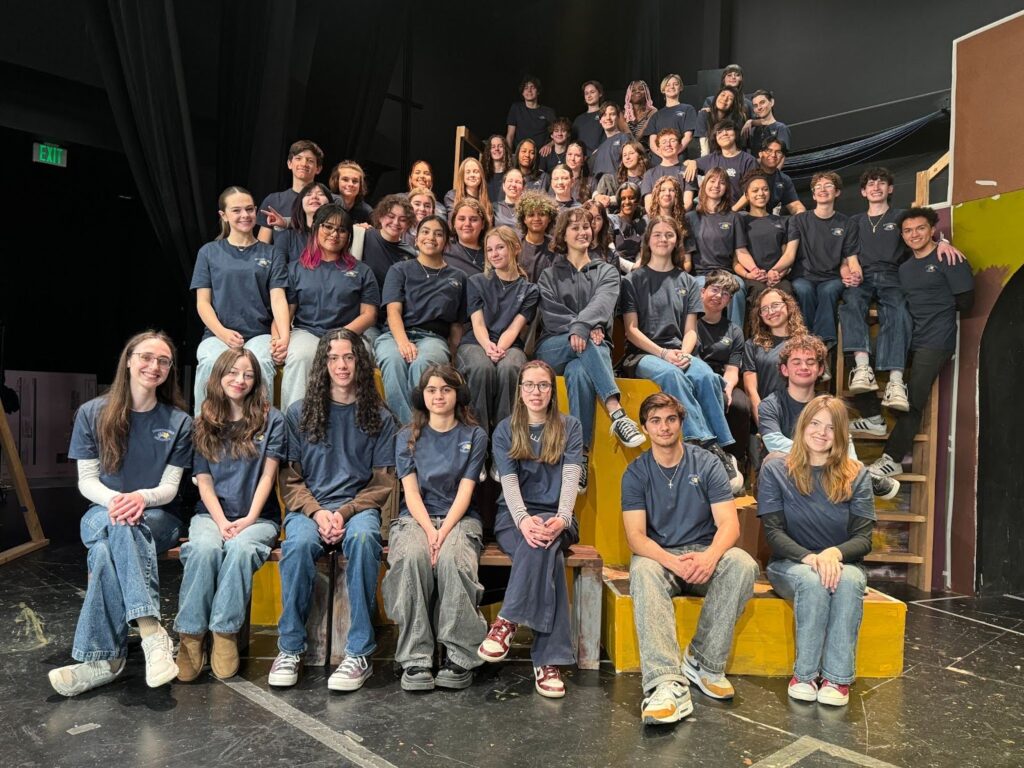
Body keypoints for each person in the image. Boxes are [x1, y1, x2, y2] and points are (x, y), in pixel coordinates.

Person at [52, 331, 191, 696]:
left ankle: (102, 660)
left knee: (104, 550)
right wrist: (118, 501)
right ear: (128, 360)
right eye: (146, 357)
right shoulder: (92, 413)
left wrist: (139, 499)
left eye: (163, 361)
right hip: (103, 510)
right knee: (118, 526)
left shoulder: (179, 421)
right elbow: (86, 480)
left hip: (159, 516)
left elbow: (171, 488)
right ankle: (151, 632)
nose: (154, 366)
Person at [269, 329, 397, 690]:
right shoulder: (298, 413)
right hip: (310, 511)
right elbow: (289, 480)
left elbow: (382, 483)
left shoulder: (379, 417)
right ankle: (290, 648)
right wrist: (317, 512)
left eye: (349, 357)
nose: (342, 365)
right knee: (294, 547)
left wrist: (343, 512)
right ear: (322, 364)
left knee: (363, 540)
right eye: (333, 358)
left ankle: (358, 652)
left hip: (357, 512)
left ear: (361, 361)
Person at [624, 393, 758, 724]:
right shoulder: (636, 473)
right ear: (645, 427)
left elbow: (729, 525)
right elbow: (636, 537)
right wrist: (672, 562)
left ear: (681, 423)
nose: (664, 427)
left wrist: (711, 556)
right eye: (655, 421)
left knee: (742, 563)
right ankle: (666, 681)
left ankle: (704, 662)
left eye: (671, 419)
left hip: (703, 553)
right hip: (663, 558)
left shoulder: (708, 463)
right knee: (641, 569)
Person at [757, 395, 875, 707]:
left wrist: (833, 554)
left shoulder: (857, 473)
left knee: (848, 581)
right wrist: (811, 558)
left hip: (842, 562)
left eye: (831, 427)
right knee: (812, 581)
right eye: (815, 423)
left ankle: (837, 679)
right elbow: (773, 533)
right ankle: (805, 675)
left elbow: (864, 540)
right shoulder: (775, 469)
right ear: (802, 426)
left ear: (841, 435)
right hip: (790, 562)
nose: (822, 432)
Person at [175, 348, 284, 681]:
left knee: (240, 550)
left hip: (258, 517)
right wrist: (222, 522)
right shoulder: (203, 422)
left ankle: (224, 634)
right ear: (219, 376)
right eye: (233, 373)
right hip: (211, 514)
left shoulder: (272, 418)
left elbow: (268, 475)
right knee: (204, 549)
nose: (240, 380)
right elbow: (204, 481)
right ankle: (191, 637)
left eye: (248, 374)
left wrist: (249, 519)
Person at [478, 361, 583, 698]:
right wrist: (524, 520)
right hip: (513, 516)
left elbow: (570, 480)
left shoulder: (571, 426)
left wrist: (563, 519)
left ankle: (506, 622)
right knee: (544, 552)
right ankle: (548, 662)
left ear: (552, 391)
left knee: (544, 544)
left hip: (558, 515)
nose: (536, 392)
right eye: (529, 385)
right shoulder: (506, 429)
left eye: (543, 385)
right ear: (519, 390)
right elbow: (508, 484)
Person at [383, 365, 488, 692]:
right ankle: (415, 658)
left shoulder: (474, 435)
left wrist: (443, 535)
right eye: (432, 390)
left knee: (453, 560)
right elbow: (411, 493)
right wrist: (430, 531)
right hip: (416, 518)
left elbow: (466, 491)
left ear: (458, 395)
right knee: (410, 558)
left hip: (460, 518)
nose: (439, 396)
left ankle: (460, 655)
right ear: (422, 395)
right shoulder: (406, 437)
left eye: (446, 389)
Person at [621, 216, 743, 492]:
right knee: (670, 374)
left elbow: (690, 331)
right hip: (645, 354)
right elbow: (631, 330)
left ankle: (724, 448)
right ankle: (705, 444)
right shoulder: (633, 280)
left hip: (679, 351)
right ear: (648, 240)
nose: (664, 239)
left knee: (708, 376)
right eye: (658, 234)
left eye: (670, 235)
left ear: (677, 241)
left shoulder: (687, 281)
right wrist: (665, 354)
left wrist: (684, 353)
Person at [536, 207, 645, 493]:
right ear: (563, 234)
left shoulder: (607, 271)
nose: (583, 231)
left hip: (590, 348)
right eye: (575, 227)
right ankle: (617, 412)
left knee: (580, 371)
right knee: (588, 343)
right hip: (555, 345)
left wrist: (585, 327)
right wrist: (582, 327)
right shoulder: (549, 275)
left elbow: (604, 303)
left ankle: (579, 457)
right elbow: (552, 314)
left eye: (586, 226)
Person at [842, 169, 961, 418]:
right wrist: (847, 270)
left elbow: (923, 237)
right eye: (870, 184)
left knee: (898, 309)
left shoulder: (900, 217)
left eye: (881, 183)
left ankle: (895, 382)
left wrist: (944, 244)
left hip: (893, 275)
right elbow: (848, 254)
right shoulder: (855, 221)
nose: (876, 187)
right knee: (850, 300)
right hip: (862, 275)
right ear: (863, 192)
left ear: (890, 189)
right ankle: (863, 367)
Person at [867, 207, 974, 480]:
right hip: (909, 337)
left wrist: (945, 247)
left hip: (936, 340)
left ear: (932, 230)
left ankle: (892, 459)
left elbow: (966, 302)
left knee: (913, 399)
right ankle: (872, 418)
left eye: (920, 228)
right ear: (902, 236)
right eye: (908, 230)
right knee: (874, 362)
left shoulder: (948, 259)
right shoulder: (904, 267)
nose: (914, 234)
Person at [757, 336, 899, 499]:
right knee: (774, 458)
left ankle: (860, 476)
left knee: (843, 465)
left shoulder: (831, 405)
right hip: (784, 476)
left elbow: (846, 442)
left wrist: (854, 468)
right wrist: (821, 455)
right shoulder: (770, 404)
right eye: (796, 362)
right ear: (784, 370)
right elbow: (774, 443)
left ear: (820, 369)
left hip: (826, 476)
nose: (804, 367)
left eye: (810, 362)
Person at [191, 186, 290, 414]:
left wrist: (283, 338)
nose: (244, 215)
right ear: (223, 215)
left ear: (256, 211)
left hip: (259, 334)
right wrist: (222, 333)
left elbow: (278, 299)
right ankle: (202, 430)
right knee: (208, 363)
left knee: (262, 364)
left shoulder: (271, 253)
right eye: (236, 210)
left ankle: (261, 432)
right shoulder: (209, 252)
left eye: (249, 209)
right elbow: (203, 303)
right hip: (218, 334)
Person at [282, 204, 379, 410]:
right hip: (306, 331)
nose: (334, 234)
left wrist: (340, 336)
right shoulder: (296, 269)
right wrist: (278, 337)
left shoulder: (362, 271)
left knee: (355, 355)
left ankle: (357, 423)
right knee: (301, 356)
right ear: (316, 228)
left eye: (342, 230)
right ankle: (294, 426)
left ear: (349, 236)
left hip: (349, 333)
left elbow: (369, 315)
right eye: (328, 227)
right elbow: (285, 312)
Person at [375, 215, 467, 425]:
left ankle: (420, 428)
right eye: (425, 231)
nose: (431, 237)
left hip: (433, 338)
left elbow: (456, 324)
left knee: (423, 363)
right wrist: (403, 342)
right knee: (393, 360)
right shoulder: (399, 270)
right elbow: (393, 311)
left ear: (446, 241)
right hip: (396, 335)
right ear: (416, 238)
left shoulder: (459, 277)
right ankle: (408, 429)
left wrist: (451, 354)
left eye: (438, 233)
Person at [457, 226, 538, 440]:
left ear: (515, 248)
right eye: (490, 249)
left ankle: (505, 440)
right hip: (476, 342)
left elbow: (515, 327)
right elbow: (478, 323)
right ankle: (478, 441)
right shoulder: (476, 282)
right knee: (480, 367)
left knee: (511, 366)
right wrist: (488, 347)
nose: (494, 254)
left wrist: (499, 349)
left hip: (509, 344)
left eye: (500, 247)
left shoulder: (529, 290)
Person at [789, 172, 862, 370]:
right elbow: (789, 254)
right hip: (804, 276)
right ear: (813, 195)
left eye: (828, 185)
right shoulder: (799, 220)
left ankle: (822, 349)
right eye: (818, 187)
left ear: (837, 192)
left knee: (828, 291)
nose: (822, 189)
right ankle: (808, 347)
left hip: (831, 278)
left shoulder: (847, 224)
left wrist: (855, 275)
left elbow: (851, 259)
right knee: (803, 290)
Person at [685, 168, 755, 328]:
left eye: (722, 182)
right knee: (699, 287)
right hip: (700, 275)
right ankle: (697, 340)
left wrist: (755, 271)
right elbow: (686, 258)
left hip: (726, 273)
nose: (716, 185)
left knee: (738, 287)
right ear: (704, 185)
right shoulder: (690, 218)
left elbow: (741, 252)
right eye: (712, 181)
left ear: (726, 189)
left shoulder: (734, 217)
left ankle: (735, 340)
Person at [695, 273, 751, 469]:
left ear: (729, 301)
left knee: (740, 405)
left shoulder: (734, 331)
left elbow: (733, 368)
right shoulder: (689, 322)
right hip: (694, 377)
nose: (718, 296)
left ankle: (736, 460)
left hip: (722, 378)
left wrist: (726, 388)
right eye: (715, 290)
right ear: (703, 292)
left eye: (725, 294)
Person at [743, 288, 808, 422]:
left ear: (788, 306)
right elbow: (751, 390)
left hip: (800, 417)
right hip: (767, 415)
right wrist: (764, 424)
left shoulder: (805, 342)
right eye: (764, 309)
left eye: (775, 305)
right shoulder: (753, 345)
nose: (770, 312)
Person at [359, 194, 417, 343]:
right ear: (380, 216)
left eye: (403, 219)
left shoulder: (410, 254)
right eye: (390, 216)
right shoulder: (364, 236)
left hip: (393, 319)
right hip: (363, 315)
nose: (396, 222)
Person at [736, 171, 796, 305]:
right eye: (755, 190)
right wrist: (752, 274)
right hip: (753, 277)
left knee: (786, 290)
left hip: (777, 276)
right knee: (759, 291)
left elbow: (786, 255)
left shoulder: (782, 221)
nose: (760, 194)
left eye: (765, 189)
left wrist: (778, 274)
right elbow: (737, 259)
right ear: (746, 195)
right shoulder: (741, 220)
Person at [257, 139, 325, 244]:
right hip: (280, 259)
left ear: (318, 169)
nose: (304, 163)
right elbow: (263, 245)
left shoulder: (327, 200)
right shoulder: (273, 200)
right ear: (289, 164)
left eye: (310, 160)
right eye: (298, 158)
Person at [683, 119, 758, 206]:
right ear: (716, 138)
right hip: (710, 211)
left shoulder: (748, 161)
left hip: (737, 212)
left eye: (728, 129)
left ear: (736, 133)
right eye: (720, 132)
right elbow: (684, 164)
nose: (724, 133)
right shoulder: (711, 159)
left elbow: (751, 192)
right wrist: (691, 162)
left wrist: (734, 211)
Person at [733, 138, 805, 215]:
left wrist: (801, 214)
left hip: (766, 220)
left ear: (782, 157)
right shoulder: (747, 169)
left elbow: (794, 204)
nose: (773, 155)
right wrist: (731, 213)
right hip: (739, 216)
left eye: (778, 152)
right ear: (760, 154)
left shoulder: (784, 179)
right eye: (769, 151)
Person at [271, 181, 332, 265]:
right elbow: (278, 270)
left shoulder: (336, 236)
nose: (314, 197)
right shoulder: (287, 236)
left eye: (320, 194)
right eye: (308, 194)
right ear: (301, 203)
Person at [644, 74, 698, 158]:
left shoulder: (688, 109)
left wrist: (673, 154)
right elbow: (652, 142)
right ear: (663, 89)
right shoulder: (656, 115)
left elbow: (688, 137)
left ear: (680, 88)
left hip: (678, 160)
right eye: (668, 85)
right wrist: (663, 155)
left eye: (675, 84)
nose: (671, 87)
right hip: (658, 162)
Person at [592, 139, 647, 209]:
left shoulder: (648, 178)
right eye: (624, 155)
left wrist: (613, 199)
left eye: (631, 153)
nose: (627, 157)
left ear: (640, 155)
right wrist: (597, 197)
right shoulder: (611, 179)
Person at [516, 191, 558, 282]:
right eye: (531, 215)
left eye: (542, 214)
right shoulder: (515, 245)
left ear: (550, 218)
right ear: (524, 219)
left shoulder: (556, 248)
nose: (536, 219)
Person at [506, 75, 556, 150]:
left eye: (532, 87)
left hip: (542, 155)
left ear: (538, 91)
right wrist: (508, 156)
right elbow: (510, 135)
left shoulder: (548, 111)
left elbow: (559, 134)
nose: (529, 90)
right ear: (522, 93)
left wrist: (550, 145)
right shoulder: (516, 108)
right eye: (526, 88)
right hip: (521, 155)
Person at [695, 87, 747, 156]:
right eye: (723, 95)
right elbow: (704, 149)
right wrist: (706, 163)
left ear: (732, 105)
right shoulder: (704, 114)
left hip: (728, 157)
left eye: (730, 98)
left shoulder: (735, 120)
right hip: (708, 158)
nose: (725, 99)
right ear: (716, 97)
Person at [445, 199, 490, 276]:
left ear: (482, 224)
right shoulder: (444, 249)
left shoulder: (491, 253)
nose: (467, 224)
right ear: (454, 223)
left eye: (473, 219)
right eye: (462, 219)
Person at [443, 157, 494, 225]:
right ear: (462, 176)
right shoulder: (452, 196)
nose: (472, 175)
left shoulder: (487, 202)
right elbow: (452, 225)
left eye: (476, 172)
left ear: (481, 175)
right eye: (468, 172)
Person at [641, 129, 686, 203]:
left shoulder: (688, 170)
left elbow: (688, 201)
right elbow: (649, 204)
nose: (668, 144)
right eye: (664, 142)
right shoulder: (649, 174)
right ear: (658, 149)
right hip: (656, 214)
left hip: (681, 213)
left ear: (680, 146)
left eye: (672, 141)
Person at [744, 91, 791, 157]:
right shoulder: (752, 131)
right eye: (755, 105)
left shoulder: (781, 128)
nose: (759, 107)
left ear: (771, 102)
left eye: (762, 102)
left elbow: (780, 157)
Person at [589, 102, 628, 183]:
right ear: (600, 120)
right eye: (604, 115)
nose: (608, 118)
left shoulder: (624, 138)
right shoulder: (598, 151)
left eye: (612, 114)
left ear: (618, 117)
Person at [608, 181, 647, 261]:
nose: (627, 202)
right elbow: (609, 252)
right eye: (623, 198)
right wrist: (631, 267)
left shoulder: (640, 225)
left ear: (637, 201)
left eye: (631, 198)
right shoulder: (610, 220)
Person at [328, 160, 374, 225]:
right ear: (336, 181)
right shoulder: (326, 201)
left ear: (360, 185)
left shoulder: (366, 211)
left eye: (355, 181)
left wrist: (368, 231)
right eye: (345, 180)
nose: (350, 184)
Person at [571, 80, 607, 156]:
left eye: (592, 92)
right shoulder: (578, 119)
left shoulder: (605, 115)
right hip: (581, 160)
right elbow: (572, 142)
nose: (589, 95)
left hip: (600, 157)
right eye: (586, 93)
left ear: (600, 93)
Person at [483, 135, 514, 203]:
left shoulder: (512, 174)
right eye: (493, 147)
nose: (496, 149)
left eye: (500, 146)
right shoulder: (483, 174)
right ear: (489, 150)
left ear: (505, 149)